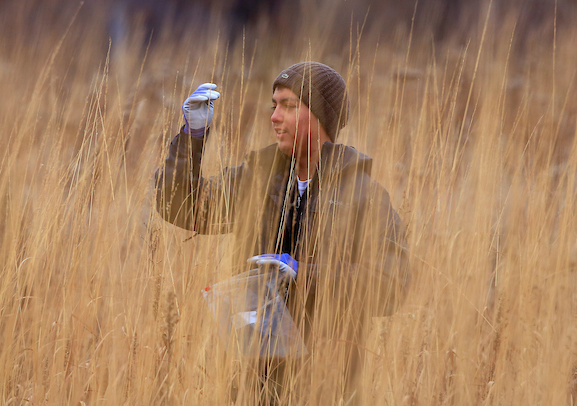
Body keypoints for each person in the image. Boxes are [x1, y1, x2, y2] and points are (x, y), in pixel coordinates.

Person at [155, 62, 411, 404]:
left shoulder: (363, 194)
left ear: (322, 119)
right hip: (250, 384)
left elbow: (391, 283)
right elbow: (182, 207)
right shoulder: (256, 180)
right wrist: (192, 138)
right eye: (274, 105)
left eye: (289, 106)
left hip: (328, 386)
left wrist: (304, 274)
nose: (275, 117)